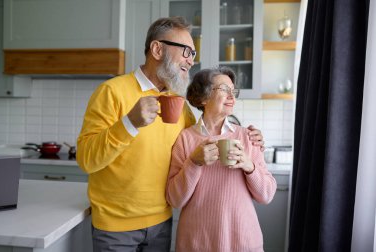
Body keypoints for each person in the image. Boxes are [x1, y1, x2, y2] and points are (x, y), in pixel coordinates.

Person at [76, 17, 264, 252]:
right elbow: (86, 160)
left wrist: (252, 139)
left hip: (161, 225)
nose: (191, 60)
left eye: (193, 54)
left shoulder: (178, 103)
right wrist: (128, 124)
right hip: (115, 229)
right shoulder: (111, 92)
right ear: (157, 49)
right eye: (186, 51)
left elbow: (204, 139)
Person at [166, 67, 277, 252]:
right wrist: (194, 163)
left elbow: (266, 195)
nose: (232, 96)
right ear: (203, 97)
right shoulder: (185, 138)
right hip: (196, 243)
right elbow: (175, 200)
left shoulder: (248, 137)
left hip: (243, 242)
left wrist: (250, 166)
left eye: (233, 91)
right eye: (225, 90)